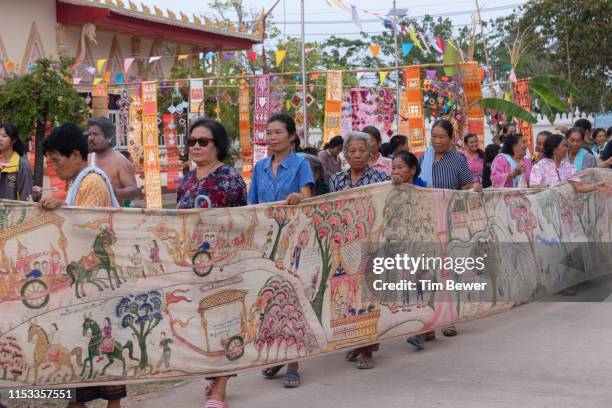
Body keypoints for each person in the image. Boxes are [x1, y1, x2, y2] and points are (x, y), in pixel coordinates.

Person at [38, 123, 123, 408]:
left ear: (75, 154)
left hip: (94, 292)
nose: (53, 167)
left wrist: (61, 213)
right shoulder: (79, 182)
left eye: (56, 160)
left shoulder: (91, 182)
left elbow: (89, 228)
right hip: (85, 290)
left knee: (105, 369)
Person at [248, 113, 314, 388]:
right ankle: (273, 354)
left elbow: (309, 197)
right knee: (265, 299)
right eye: (268, 132)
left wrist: (299, 197)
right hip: (265, 242)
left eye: (277, 132)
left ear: (291, 136)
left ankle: (292, 362)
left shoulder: (301, 165)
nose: (272, 137)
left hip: (293, 242)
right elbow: (251, 203)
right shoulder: (259, 167)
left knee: (290, 298)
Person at [329, 131, 389, 369]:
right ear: (344, 154)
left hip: (370, 243)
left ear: (370, 152)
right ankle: (354, 342)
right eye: (351, 151)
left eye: (361, 151)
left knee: (368, 295)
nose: (356, 155)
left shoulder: (379, 178)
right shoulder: (336, 181)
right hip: (343, 245)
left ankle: (368, 350)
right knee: (345, 295)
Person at [177, 118, 247, 209]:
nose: (196, 147)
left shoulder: (230, 179)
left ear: (218, 145)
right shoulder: (187, 179)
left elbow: (240, 218)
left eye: (203, 142)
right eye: (192, 141)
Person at [530, 134, 611, 193]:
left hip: (566, 212)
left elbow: (579, 187)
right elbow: (535, 187)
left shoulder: (569, 167)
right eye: (564, 146)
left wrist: (595, 186)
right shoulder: (539, 167)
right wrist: (554, 187)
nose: (566, 148)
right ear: (554, 149)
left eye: (566, 146)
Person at [86, 117, 139, 205]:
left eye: (95, 134)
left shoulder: (120, 161)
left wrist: (112, 192)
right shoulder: (87, 159)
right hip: (88, 215)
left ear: (108, 137)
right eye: (89, 134)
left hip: (112, 216)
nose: (90, 138)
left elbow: (133, 190)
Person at [419, 119, 480, 192]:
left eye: (442, 137)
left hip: (450, 203)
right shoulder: (424, 158)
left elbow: (467, 185)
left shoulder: (458, 160)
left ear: (451, 138)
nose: (437, 141)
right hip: (425, 202)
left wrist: (474, 187)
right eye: (434, 136)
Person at [0, 124, 32, 201]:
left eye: (4, 136)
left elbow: (25, 197)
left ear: (13, 140)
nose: (0, 139)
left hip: (12, 212)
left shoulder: (22, 165)